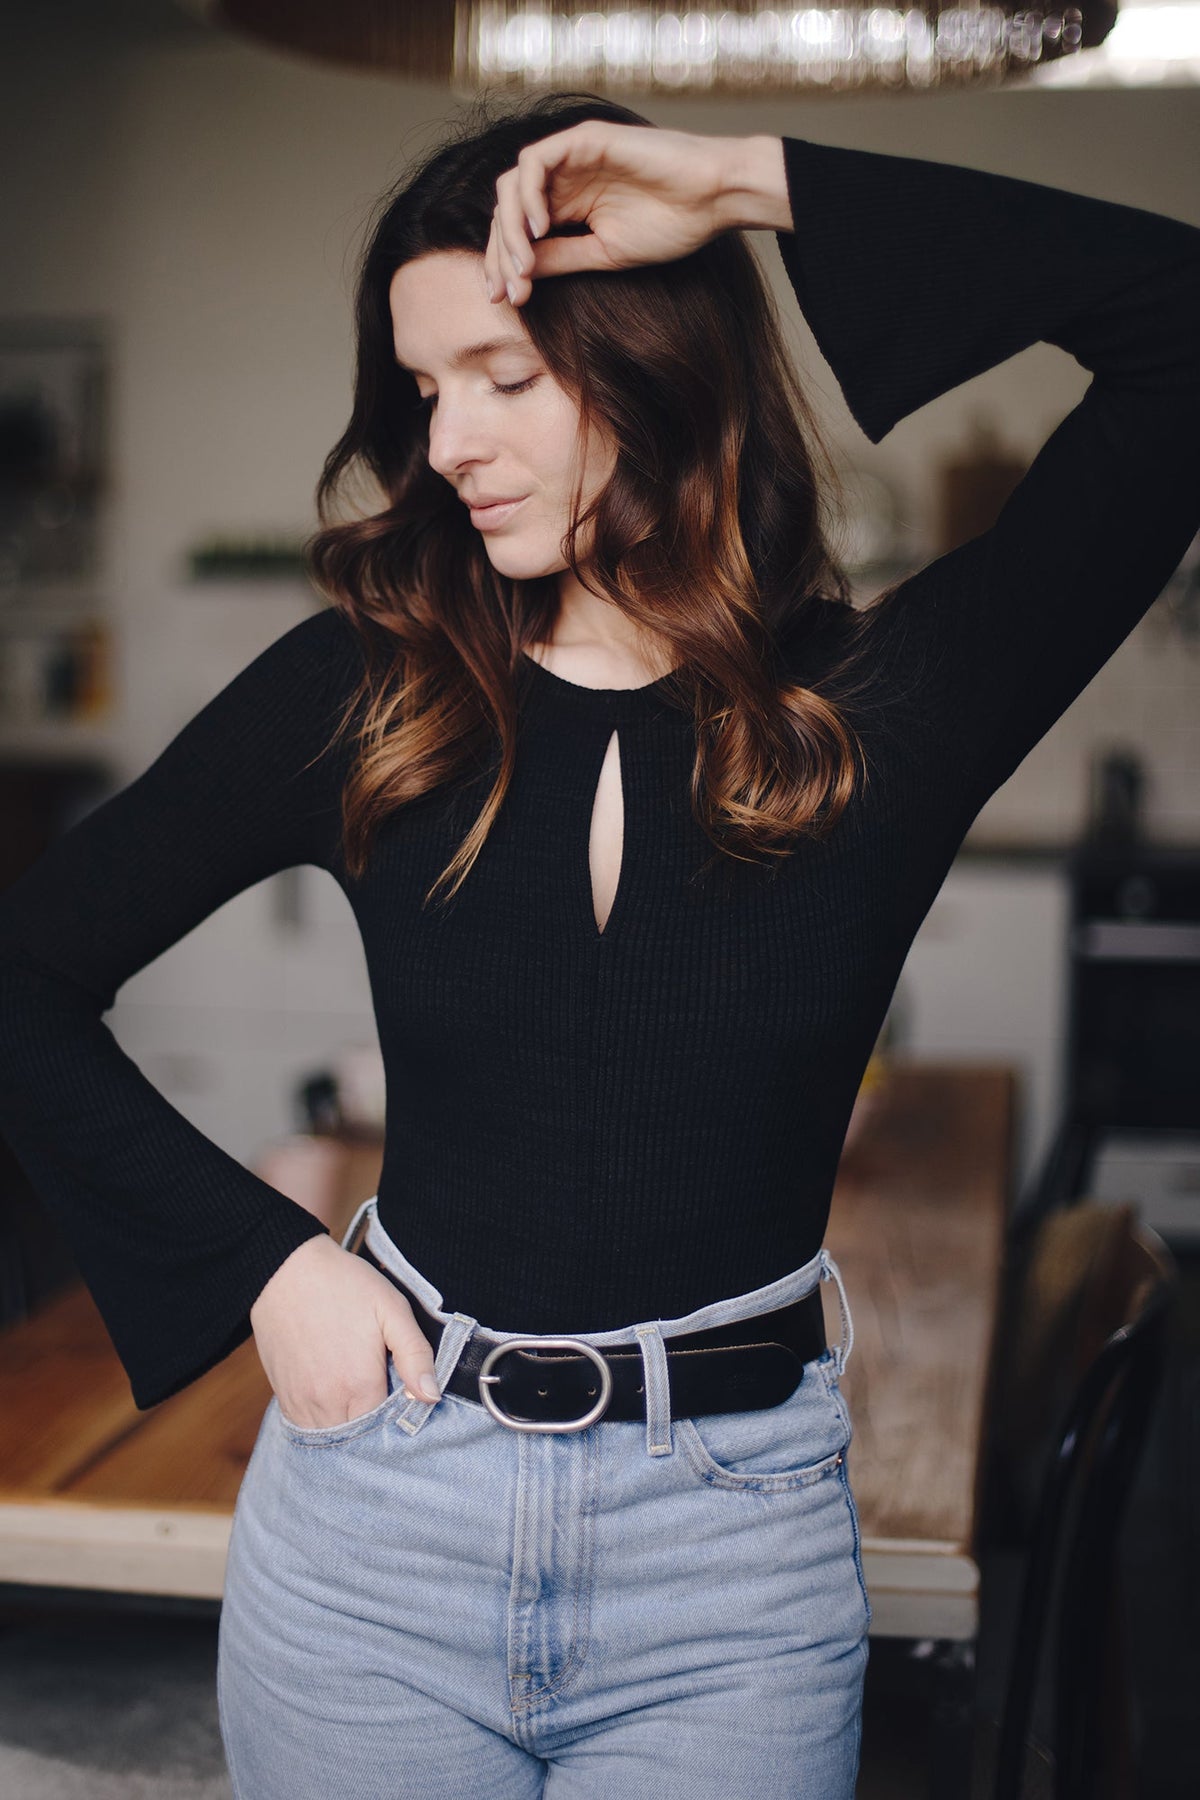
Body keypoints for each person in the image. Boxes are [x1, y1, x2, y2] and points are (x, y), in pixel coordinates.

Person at [0, 88, 1197, 1799]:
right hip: (374, 1542)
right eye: (425, 390)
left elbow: (1180, 332)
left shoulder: (886, 715)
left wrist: (741, 183)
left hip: (731, 1576)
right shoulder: (369, 697)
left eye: (503, 376)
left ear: (655, 368)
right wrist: (268, 1264)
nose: (447, 445)